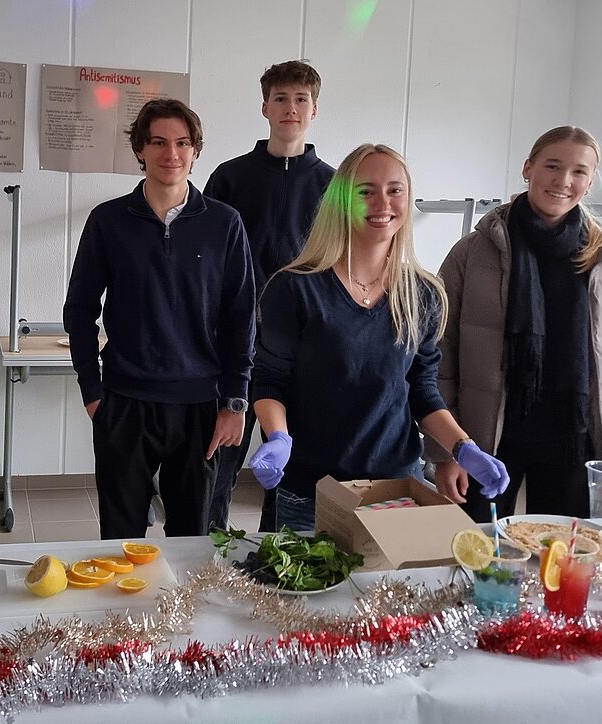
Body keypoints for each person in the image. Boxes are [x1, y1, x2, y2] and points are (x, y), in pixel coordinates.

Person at [247, 144, 508, 532]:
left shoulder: (422, 293)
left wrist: (462, 446)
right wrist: (278, 438)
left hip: (395, 487)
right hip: (310, 489)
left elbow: (422, 389)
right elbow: (270, 381)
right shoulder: (295, 288)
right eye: (366, 191)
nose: (382, 203)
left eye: (394, 190)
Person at [63, 98, 255, 540]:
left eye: (183, 143)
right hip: (124, 401)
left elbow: (241, 316)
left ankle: (182, 593)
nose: (172, 153)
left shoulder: (224, 224)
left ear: (195, 150)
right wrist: (92, 391)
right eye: (159, 142)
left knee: (192, 537)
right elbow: (80, 310)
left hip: (200, 405)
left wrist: (235, 400)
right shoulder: (108, 221)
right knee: (120, 537)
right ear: (140, 149)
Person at [430, 126, 602, 522]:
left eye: (579, 172)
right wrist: (447, 452)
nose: (563, 181)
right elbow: (440, 355)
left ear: (590, 182)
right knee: (474, 548)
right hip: (486, 439)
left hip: (577, 440)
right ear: (528, 168)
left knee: (563, 554)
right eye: (552, 166)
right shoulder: (471, 253)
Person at [204, 59, 335, 531]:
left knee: (287, 461)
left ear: (314, 110)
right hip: (234, 343)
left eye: (301, 100)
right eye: (280, 98)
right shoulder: (229, 178)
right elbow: (207, 262)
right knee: (219, 460)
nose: (290, 108)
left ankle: (275, 553)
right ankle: (209, 548)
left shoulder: (333, 185)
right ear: (265, 107)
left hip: (302, 346)